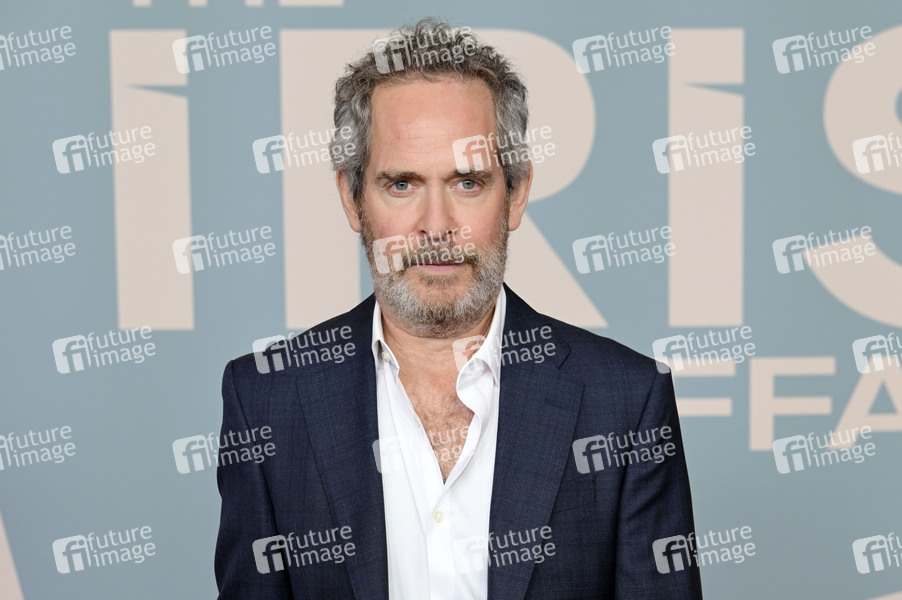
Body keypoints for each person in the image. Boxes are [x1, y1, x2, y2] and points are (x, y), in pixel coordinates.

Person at [215, 17, 702, 599]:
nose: (436, 226)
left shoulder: (625, 402)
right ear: (351, 196)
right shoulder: (266, 401)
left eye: (467, 183)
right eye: (402, 184)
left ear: (516, 193)